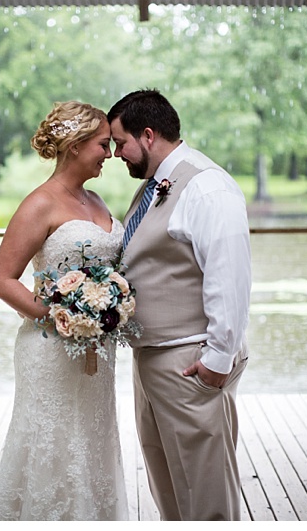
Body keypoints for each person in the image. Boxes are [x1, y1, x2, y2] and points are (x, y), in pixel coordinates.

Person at [0, 101, 128, 520]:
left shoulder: (96, 199)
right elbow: (1, 279)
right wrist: (60, 316)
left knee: (93, 442)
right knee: (53, 443)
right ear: (76, 145)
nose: (111, 154)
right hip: (50, 349)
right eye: (103, 144)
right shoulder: (40, 204)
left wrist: (107, 307)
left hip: (98, 353)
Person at [108, 89, 251, 521]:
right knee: (169, 488)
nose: (116, 154)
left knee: (206, 497)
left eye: (120, 142)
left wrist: (217, 360)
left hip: (190, 362)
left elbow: (229, 277)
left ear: (148, 135)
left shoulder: (208, 187)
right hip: (153, 360)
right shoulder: (155, 186)